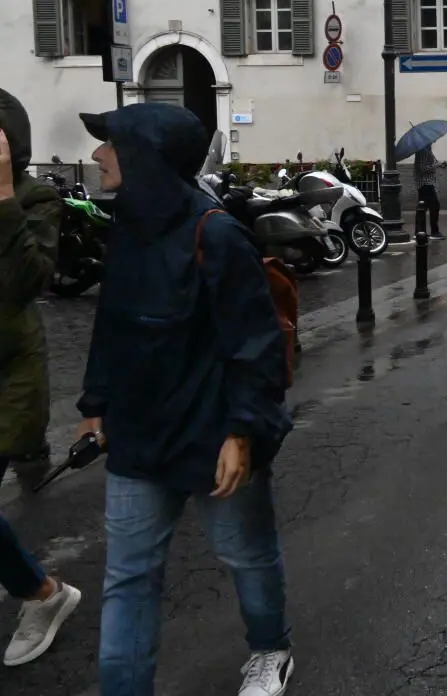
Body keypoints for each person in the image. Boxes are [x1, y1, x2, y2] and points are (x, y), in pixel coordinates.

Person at [76, 104, 294, 696]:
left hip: (212, 434)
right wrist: (96, 403)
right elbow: (112, 324)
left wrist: (241, 433)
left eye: (110, 145)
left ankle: (270, 649)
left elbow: (255, 348)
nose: (97, 156)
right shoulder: (125, 228)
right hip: (138, 436)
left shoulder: (216, 234)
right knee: (128, 578)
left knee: (245, 554)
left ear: (147, 156)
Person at [0, 90, 81, 669]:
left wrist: (3, 195)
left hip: (9, 378)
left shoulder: (37, 196)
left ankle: (43, 595)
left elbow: (29, 279)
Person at [411, 146, 443, 239]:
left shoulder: (427, 149)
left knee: (423, 207)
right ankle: (434, 232)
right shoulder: (423, 150)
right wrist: (436, 165)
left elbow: (431, 163)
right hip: (425, 183)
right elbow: (422, 168)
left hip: (427, 182)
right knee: (434, 205)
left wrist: (439, 164)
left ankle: (420, 231)